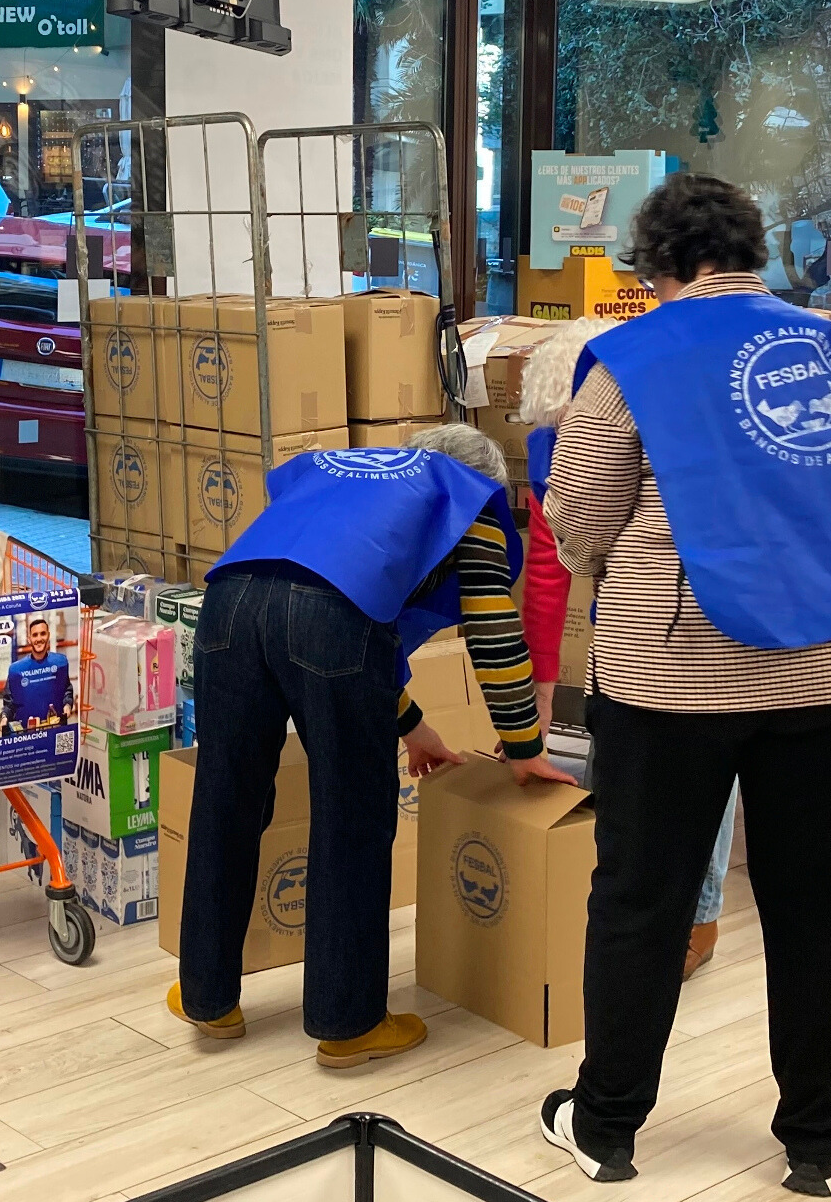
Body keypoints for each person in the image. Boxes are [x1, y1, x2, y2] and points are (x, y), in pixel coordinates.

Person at [535, 173, 831, 1197]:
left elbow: (580, 514)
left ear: (654, 266)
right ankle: (817, 1141)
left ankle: (606, 1124)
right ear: (752, 252)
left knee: (643, 899)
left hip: (676, 670)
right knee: (820, 904)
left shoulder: (628, 360)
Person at [173, 422, 574, 1068]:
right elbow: (491, 631)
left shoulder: (347, 480)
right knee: (351, 818)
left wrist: (413, 727)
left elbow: (330, 612)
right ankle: (348, 1021)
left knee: (226, 800)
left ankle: (207, 998)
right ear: (483, 481)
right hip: (329, 621)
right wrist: (524, 743)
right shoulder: (462, 499)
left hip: (225, 610)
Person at [521, 318, 737, 983]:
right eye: (562, 432)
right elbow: (547, 574)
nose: (570, 446)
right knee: (625, 763)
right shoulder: (547, 449)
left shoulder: (686, 434)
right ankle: (615, 888)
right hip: (633, 626)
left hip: (718, 621)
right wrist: (534, 695)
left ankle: (699, 916)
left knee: (706, 767)